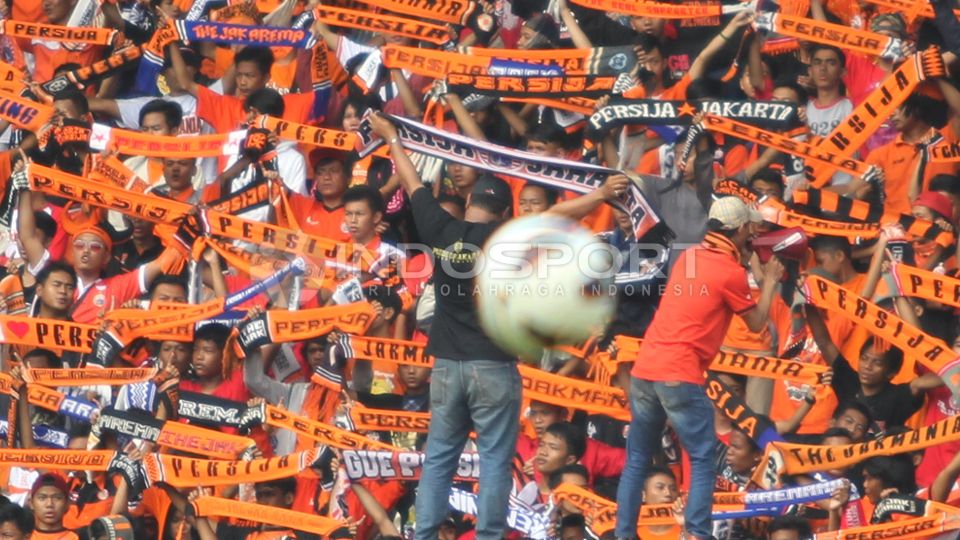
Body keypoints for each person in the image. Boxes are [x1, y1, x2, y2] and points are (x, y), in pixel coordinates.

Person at [369, 112, 521, 540]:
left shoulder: (442, 229)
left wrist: (392, 138)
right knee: (493, 459)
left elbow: (414, 184)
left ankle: (424, 534)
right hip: (492, 366)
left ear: (470, 202)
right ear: (506, 213)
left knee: (438, 458)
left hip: (447, 367)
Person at [614, 197, 784, 540]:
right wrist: (768, 282)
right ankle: (697, 534)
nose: (752, 232)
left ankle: (624, 534)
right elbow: (756, 325)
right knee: (704, 457)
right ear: (737, 231)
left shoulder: (689, 257)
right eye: (748, 228)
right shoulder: (730, 272)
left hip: (646, 366)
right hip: (679, 372)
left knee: (636, 460)